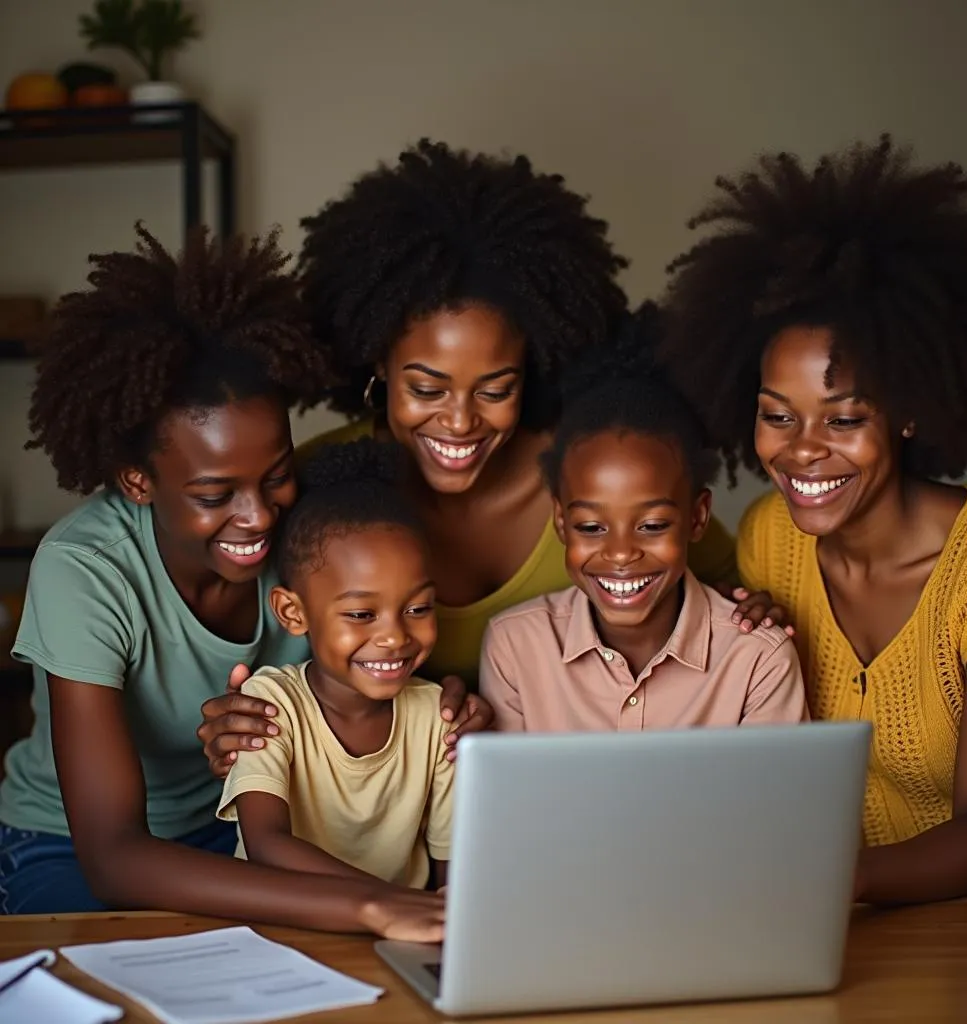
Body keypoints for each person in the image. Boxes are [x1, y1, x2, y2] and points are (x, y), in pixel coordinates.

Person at [195, 140, 790, 773]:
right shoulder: (320, 487)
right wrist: (237, 721)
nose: (459, 422)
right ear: (377, 363)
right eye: (426, 388)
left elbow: (719, 590)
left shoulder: (592, 472)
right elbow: (273, 652)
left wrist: (758, 608)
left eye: (495, 389)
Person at [0, 225, 444, 938]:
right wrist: (367, 903)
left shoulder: (311, 540)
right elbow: (114, 854)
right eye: (214, 494)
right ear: (139, 481)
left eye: (275, 476)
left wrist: (439, 706)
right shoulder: (85, 568)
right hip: (70, 850)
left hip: (238, 832)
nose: (258, 515)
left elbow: (377, 668)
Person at [664, 135, 967, 903]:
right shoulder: (769, 537)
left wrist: (827, 878)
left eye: (843, 417)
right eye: (776, 416)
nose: (802, 452)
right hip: (821, 927)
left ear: (908, 412)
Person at [480, 305, 807, 732]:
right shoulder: (515, 646)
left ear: (697, 517)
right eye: (591, 527)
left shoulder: (757, 657)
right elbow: (511, 796)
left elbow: (772, 799)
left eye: (652, 526)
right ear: (560, 520)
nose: (620, 553)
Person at [218, 439, 454, 897]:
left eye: (418, 608)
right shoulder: (271, 705)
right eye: (362, 615)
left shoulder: (437, 720)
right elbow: (266, 844)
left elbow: (454, 871)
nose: (395, 637)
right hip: (282, 927)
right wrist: (397, 905)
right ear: (292, 612)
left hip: (401, 935)